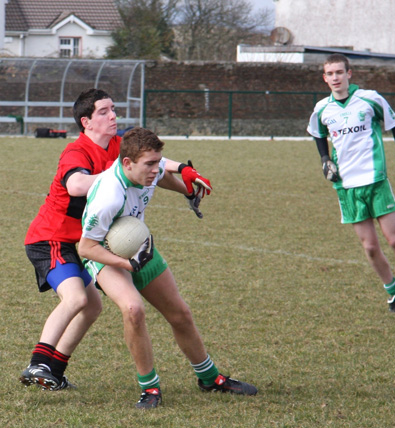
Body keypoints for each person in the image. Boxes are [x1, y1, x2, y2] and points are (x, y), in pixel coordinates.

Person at [20, 89, 208, 391]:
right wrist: (118, 175)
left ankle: (53, 370)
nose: (113, 116)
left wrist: (182, 170)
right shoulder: (76, 152)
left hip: (85, 240)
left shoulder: (117, 145)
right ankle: (38, 361)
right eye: (104, 111)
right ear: (86, 121)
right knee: (77, 299)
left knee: (92, 307)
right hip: (54, 237)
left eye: (114, 109)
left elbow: (150, 161)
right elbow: (77, 184)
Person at [78, 127, 257, 409]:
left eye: (157, 161)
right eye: (149, 164)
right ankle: (149, 389)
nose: (155, 169)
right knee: (133, 310)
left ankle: (210, 378)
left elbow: (162, 174)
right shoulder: (108, 196)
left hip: (139, 246)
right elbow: (85, 248)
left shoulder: (146, 171)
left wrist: (187, 188)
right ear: (127, 163)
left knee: (180, 313)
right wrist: (127, 264)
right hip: (104, 254)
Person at [307, 53, 395, 314]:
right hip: (346, 185)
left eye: (339, 72)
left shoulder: (369, 98)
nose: (335, 77)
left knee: (394, 240)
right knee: (371, 247)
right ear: (325, 78)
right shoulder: (322, 109)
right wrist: (325, 159)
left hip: (375, 180)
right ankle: (394, 293)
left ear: (349, 74)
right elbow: (318, 134)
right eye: (330, 74)